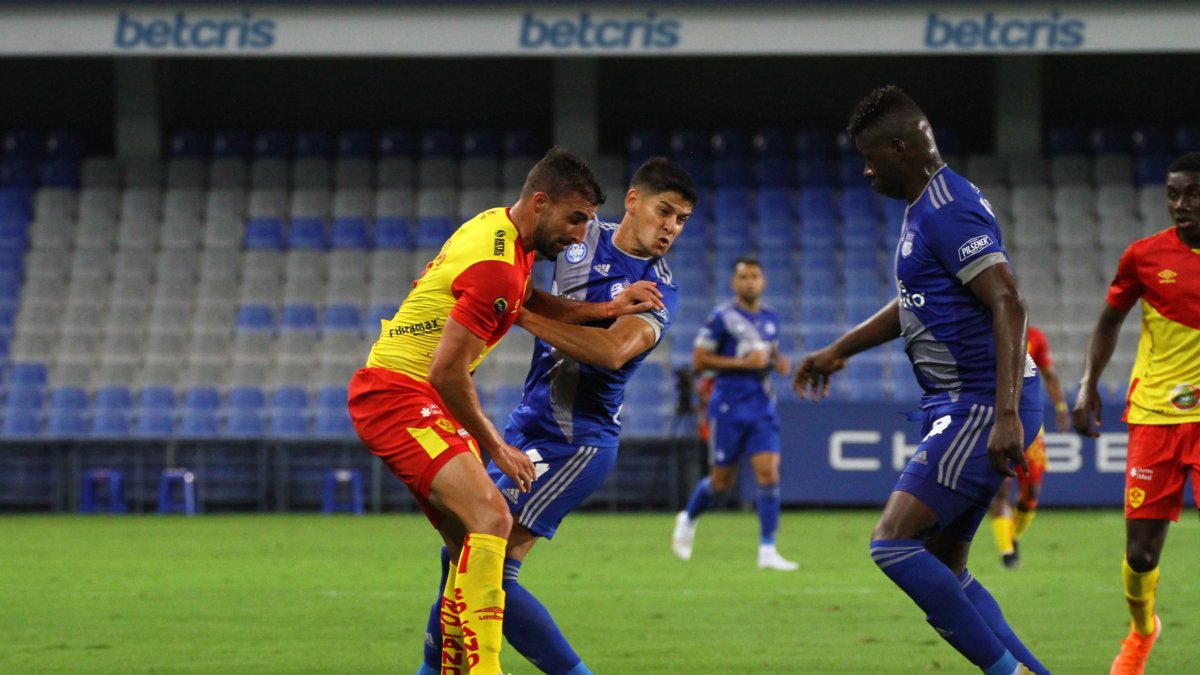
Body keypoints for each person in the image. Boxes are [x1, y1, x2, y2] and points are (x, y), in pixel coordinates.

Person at [349, 147, 641, 675]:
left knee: (468, 544)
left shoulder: (496, 229)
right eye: (575, 219)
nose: (580, 235)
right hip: (398, 396)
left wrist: (604, 309)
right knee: (492, 518)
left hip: (411, 394)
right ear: (540, 202)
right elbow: (446, 372)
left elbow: (528, 299)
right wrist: (497, 448)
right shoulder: (496, 271)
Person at [792, 86, 1047, 675]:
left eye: (871, 156)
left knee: (892, 543)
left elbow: (1008, 300)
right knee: (947, 568)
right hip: (973, 404)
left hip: (980, 405)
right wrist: (839, 350)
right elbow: (916, 301)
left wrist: (1006, 414)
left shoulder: (946, 208)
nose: (866, 169)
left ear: (901, 148)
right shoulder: (928, 207)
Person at [414, 157, 696, 675]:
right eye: (665, 212)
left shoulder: (659, 290)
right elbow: (525, 248)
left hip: (575, 440)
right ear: (633, 200)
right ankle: (433, 669)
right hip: (529, 421)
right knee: (460, 552)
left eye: (681, 220)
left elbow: (612, 352)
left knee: (489, 569)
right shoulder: (581, 234)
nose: (671, 228)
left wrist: (518, 315)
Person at [1072, 152, 1200, 675]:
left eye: (1192, 195)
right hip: (1154, 415)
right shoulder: (1144, 257)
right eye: (1173, 195)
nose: (1180, 205)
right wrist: (1087, 384)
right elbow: (1108, 322)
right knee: (1142, 557)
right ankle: (1143, 630)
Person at [671, 256, 797, 570]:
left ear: (763, 282)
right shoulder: (722, 318)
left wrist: (778, 362)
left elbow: (768, 352)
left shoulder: (771, 318)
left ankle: (767, 549)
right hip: (728, 407)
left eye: (755, 276)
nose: (750, 282)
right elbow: (699, 362)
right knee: (721, 482)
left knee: (769, 475)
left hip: (762, 407)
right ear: (734, 283)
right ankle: (688, 517)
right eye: (743, 277)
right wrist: (744, 364)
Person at [989, 324, 1069, 568]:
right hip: (994, 419)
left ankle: (1013, 536)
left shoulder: (1034, 337)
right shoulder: (984, 334)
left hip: (1030, 422)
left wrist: (1061, 407)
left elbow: (1048, 374)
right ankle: (1007, 553)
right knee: (1000, 488)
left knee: (1031, 492)